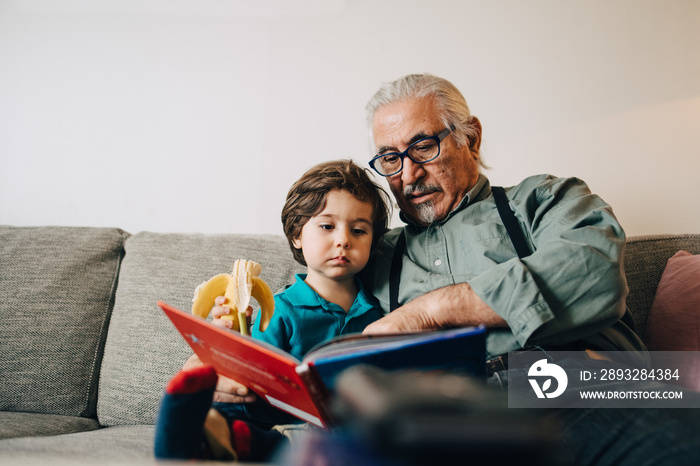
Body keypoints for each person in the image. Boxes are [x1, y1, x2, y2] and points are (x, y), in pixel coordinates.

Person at [359, 73, 700, 465]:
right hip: (445, 410)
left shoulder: (544, 199)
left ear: (470, 138)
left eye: (423, 147)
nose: (408, 174)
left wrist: (430, 310)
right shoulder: (374, 251)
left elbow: (593, 271)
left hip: (581, 381)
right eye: (390, 158)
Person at [154, 159, 391, 462]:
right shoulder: (280, 308)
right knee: (236, 415)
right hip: (275, 420)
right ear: (297, 235)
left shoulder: (378, 312)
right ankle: (191, 426)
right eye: (327, 226)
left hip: (342, 429)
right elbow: (253, 379)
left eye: (358, 230)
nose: (343, 240)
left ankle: (224, 438)